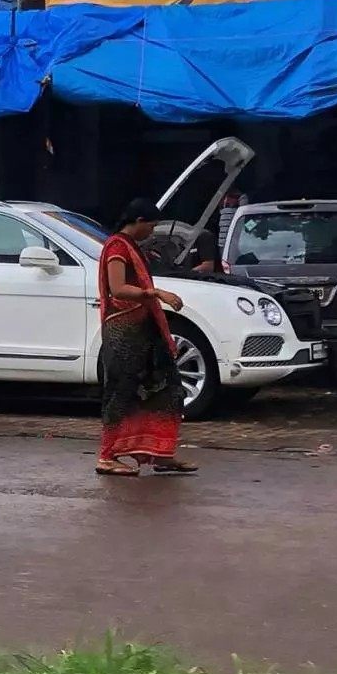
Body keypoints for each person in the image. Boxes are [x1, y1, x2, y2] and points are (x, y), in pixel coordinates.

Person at [97, 198, 199, 477]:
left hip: (144, 330)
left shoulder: (132, 247)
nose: (152, 232)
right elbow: (118, 289)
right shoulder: (117, 246)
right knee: (122, 392)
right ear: (139, 221)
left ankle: (160, 453)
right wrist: (155, 293)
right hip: (124, 331)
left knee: (166, 389)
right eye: (151, 225)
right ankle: (107, 456)